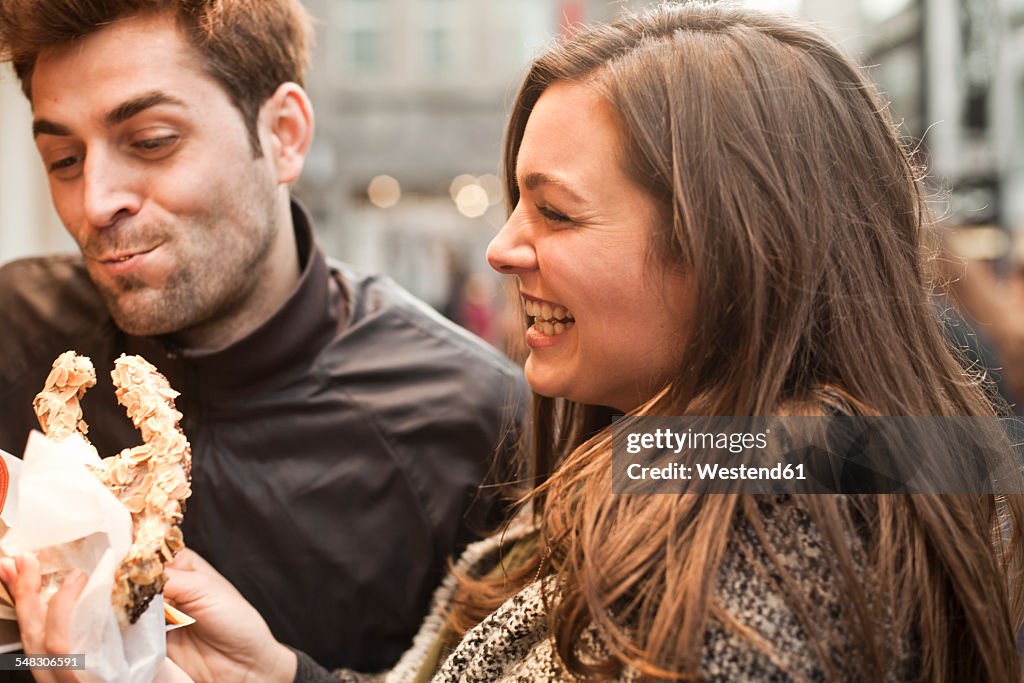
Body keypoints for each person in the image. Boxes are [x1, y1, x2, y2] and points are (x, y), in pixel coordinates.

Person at [5, 2, 1024, 681]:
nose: (499, 249)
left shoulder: (754, 595)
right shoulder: (682, 454)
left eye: (557, 212)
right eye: (59, 155)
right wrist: (283, 670)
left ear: (731, 243)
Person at [0, 0, 524, 672]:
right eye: (64, 159)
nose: (96, 201)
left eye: (152, 140)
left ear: (284, 134)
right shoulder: (15, 333)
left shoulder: (479, 422)